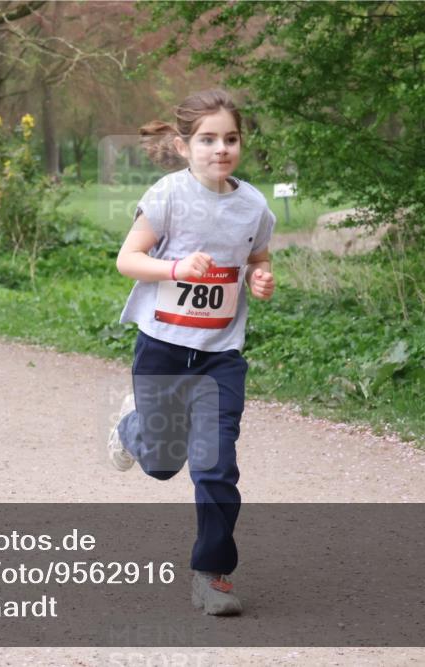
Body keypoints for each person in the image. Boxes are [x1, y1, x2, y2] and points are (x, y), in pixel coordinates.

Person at [107, 90, 276, 615]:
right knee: (161, 464)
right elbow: (128, 260)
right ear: (184, 146)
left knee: (217, 467)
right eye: (207, 139)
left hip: (220, 356)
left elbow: (257, 255)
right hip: (161, 348)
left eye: (230, 138)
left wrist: (260, 276)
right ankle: (130, 428)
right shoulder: (168, 197)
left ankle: (212, 575)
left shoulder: (253, 205)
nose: (220, 149)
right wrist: (176, 269)